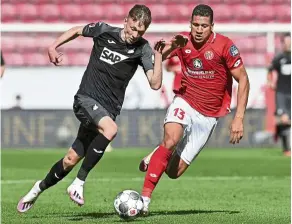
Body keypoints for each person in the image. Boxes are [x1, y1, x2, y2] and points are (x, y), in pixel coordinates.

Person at [17, 4, 167, 213]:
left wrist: (158, 56)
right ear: (126, 21)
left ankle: (37, 189)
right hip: (86, 99)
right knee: (111, 129)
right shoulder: (104, 31)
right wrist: (53, 46)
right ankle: (79, 183)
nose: (135, 34)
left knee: (70, 159)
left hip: (107, 110)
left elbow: (155, 83)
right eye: (133, 28)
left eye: (140, 31)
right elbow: (76, 30)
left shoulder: (143, 49)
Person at [138, 4, 250, 215]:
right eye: (195, 25)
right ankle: (144, 200)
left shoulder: (225, 46)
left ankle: (158, 154)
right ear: (190, 24)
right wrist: (170, 47)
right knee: (170, 139)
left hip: (209, 115)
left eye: (204, 26)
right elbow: (158, 57)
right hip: (185, 101)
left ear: (212, 26)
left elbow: (243, 79)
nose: (199, 29)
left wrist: (239, 117)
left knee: (174, 172)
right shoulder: (183, 40)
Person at [267, 33, 291, 157]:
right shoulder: (279, 58)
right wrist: (270, 82)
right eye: (286, 42)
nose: (288, 44)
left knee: (286, 121)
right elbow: (270, 69)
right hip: (281, 92)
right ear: (283, 44)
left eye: (289, 42)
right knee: (284, 119)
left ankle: (278, 129)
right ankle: (286, 149)